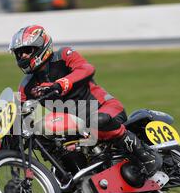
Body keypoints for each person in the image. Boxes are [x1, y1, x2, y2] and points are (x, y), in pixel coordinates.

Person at [8, 25, 162, 182]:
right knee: (44, 137)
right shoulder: (26, 86)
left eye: (27, 50)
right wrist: (5, 146)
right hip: (76, 126)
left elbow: (86, 68)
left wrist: (61, 84)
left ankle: (145, 155)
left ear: (41, 46)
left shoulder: (64, 55)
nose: (23, 56)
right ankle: (77, 176)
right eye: (19, 53)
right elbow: (20, 115)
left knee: (97, 120)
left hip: (105, 108)